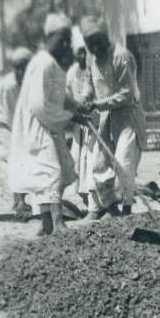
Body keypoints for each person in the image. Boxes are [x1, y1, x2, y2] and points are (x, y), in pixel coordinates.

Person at [8, 13, 88, 236]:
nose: (64, 44)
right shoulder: (43, 63)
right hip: (40, 125)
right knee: (50, 171)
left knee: (59, 169)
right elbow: (39, 105)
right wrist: (69, 118)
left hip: (50, 123)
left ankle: (46, 223)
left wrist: (76, 107)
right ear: (48, 37)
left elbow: (58, 95)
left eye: (67, 40)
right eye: (60, 39)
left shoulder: (51, 64)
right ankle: (57, 221)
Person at [80, 15, 147, 218]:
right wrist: (84, 99)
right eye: (91, 44)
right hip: (104, 119)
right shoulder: (91, 58)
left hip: (127, 117)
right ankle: (111, 208)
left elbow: (126, 94)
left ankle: (127, 208)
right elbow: (89, 82)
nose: (96, 48)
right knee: (99, 165)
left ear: (106, 37)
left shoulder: (121, 56)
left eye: (99, 42)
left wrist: (97, 104)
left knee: (123, 163)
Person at [0, 46, 33, 220]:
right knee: (13, 158)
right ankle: (19, 203)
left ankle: (20, 200)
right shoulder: (10, 85)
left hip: (11, 122)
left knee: (21, 159)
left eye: (23, 67)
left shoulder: (31, 82)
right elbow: (13, 117)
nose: (20, 71)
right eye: (16, 67)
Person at [65, 44, 96, 208]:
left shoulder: (93, 69)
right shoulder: (71, 73)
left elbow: (89, 91)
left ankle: (92, 198)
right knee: (77, 160)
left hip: (92, 118)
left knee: (90, 158)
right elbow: (68, 94)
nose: (81, 57)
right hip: (78, 120)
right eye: (78, 54)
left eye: (84, 53)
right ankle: (83, 195)